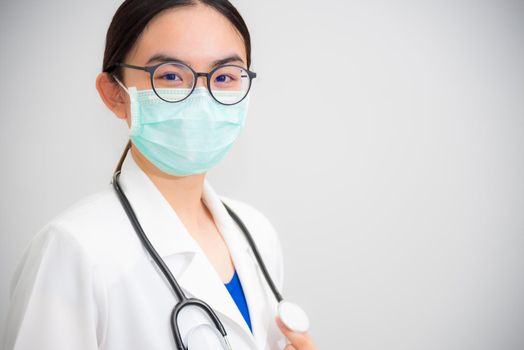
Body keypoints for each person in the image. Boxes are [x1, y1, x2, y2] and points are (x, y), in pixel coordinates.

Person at [2, 1, 317, 349]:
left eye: (225, 76)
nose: (201, 98)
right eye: (170, 75)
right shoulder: (71, 250)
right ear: (114, 94)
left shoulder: (257, 232)